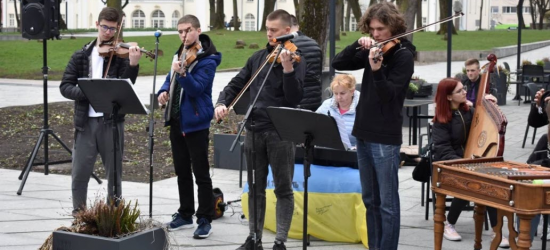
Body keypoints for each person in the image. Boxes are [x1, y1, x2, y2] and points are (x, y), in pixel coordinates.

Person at [214, 9, 305, 250]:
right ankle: (254, 238)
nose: (269, 34)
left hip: (280, 133)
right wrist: (222, 103)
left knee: (283, 188)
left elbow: (295, 97)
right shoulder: (257, 58)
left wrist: (287, 70)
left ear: (288, 31)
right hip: (254, 128)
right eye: (267, 29)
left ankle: (280, 242)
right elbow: (236, 83)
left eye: (274, 31)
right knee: (255, 188)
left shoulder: (296, 58)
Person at [331, 3, 415, 249]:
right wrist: (359, 43)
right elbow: (339, 60)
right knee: (370, 200)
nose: (376, 34)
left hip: (385, 136)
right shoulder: (373, 48)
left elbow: (389, 96)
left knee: (387, 203)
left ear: (393, 27)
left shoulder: (403, 55)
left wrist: (377, 70)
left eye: (381, 29)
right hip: (363, 132)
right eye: (372, 29)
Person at [59, 7, 143, 215]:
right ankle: (79, 215)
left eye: (113, 29)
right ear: (97, 25)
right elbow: (65, 86)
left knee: (114, 175)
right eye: (105, 27)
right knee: (79, 173)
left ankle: (112, 216)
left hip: (111, 123)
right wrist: (86, 92)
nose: (108, 33)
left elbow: (126, 84)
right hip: (85, 123)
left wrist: (133, 64)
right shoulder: (81, 56)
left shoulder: (120, 55)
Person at [157, 14, 221, 239]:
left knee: (201, 173)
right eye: (180, 31)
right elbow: (169, 78)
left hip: (196, 122)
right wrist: (163, 91)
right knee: (181, 171)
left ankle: (204, 218)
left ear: (198, 30)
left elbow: (197, 88)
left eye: (187, 30)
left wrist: (182, 73)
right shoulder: (179, 53)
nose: (183, 35)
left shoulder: (209, 60)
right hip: (176, 120)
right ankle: (185, 214)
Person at [432, 78, 509, 248]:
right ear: (449, 97)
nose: (464, 92)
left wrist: (491, 105)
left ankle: (496, 230)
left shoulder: (468, 111)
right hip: (447, 164)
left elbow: (485, 123)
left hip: (468, 160)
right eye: (460, 91)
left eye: (464, 88)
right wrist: (464, 163)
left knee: (488, 182)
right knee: (471, 180)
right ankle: (449, 224)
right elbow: (443, 150)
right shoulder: (441, 120)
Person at [315, 74, 360, 147]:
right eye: (335, 93)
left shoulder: (363, 108)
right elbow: (314, 127)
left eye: (342, 93)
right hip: (326, 151)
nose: (339, 97)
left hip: (353, 154)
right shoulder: (326, 105)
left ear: (352, 91)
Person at [289, 14, 322, 111]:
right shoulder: (315, 44)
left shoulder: (287, 45)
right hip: (315, 98)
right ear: (298, 26)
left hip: (296, 100)